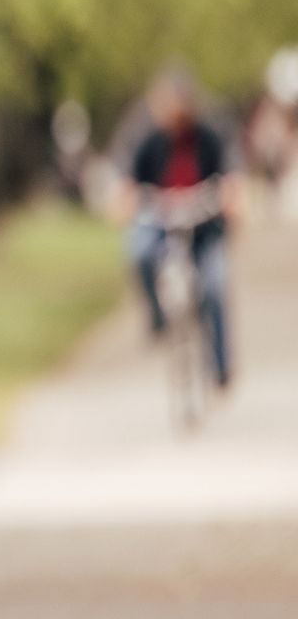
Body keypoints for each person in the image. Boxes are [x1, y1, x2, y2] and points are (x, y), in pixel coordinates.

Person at [121, 71, 237, 386]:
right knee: (139, 251)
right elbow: (129, 184)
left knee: (214, 285)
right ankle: (157, 315)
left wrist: (228, 201)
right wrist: (132, 202)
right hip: (162, 221)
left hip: (203, 225)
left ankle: (220, 363)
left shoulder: (208, 139)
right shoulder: (150, 142)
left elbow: (229, 180)